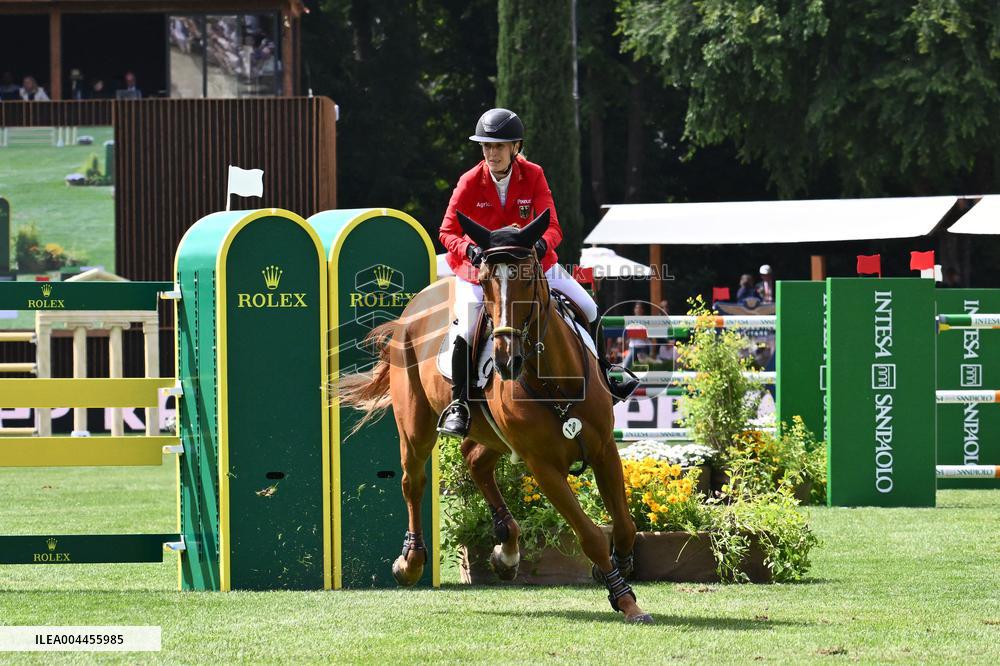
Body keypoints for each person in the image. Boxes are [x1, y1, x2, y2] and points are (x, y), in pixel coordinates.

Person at [436, 108, 639, 437]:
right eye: (486, 146)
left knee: (588, 307)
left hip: (531, 266)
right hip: (482, 272)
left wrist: (541, 246)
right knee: (468, 329)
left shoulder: (533, 175)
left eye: (498, 146)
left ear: (515, 147)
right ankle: (459, 404)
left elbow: (554, 226)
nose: (491, 153)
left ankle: (607, 373)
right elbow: (447, 231)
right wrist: (469, 251)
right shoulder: (470, 181)